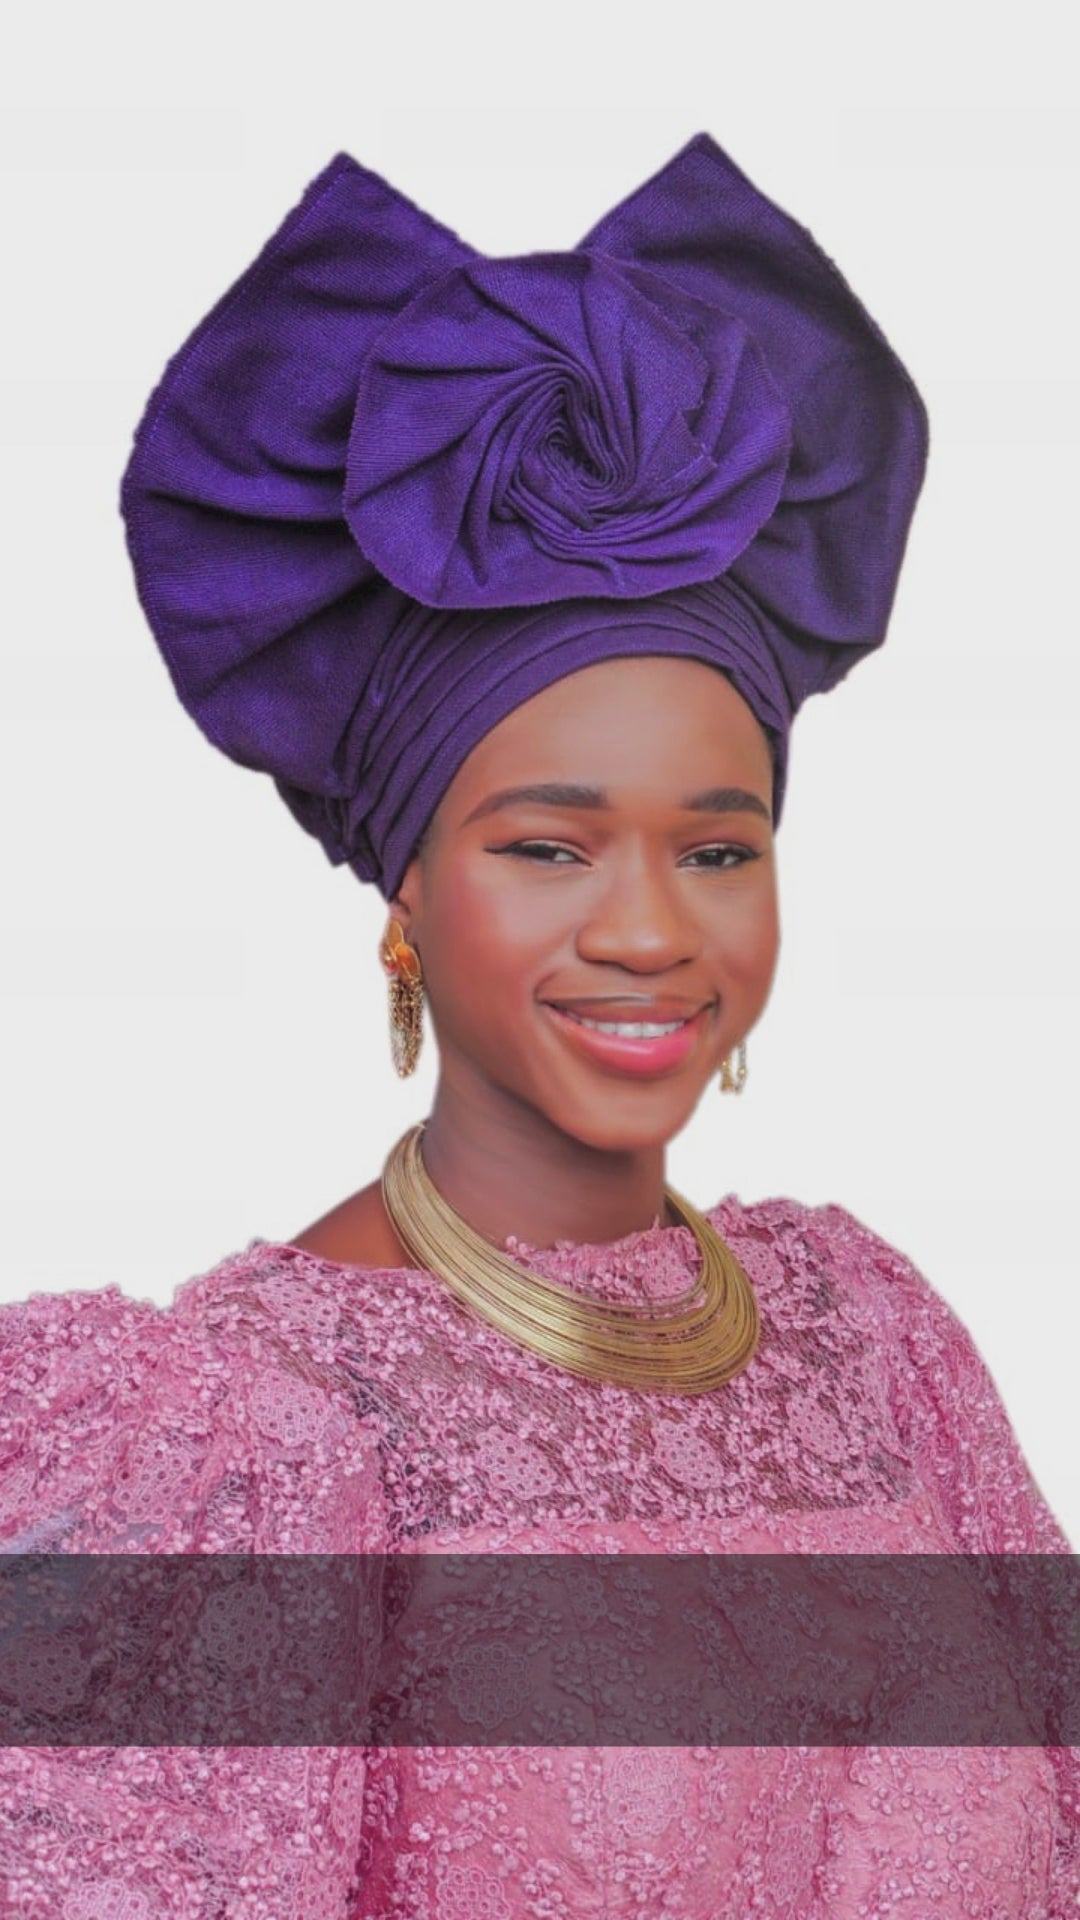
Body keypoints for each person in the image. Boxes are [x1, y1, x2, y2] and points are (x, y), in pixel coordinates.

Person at [1, 132, 1076, 1918]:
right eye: (549, 847)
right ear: (410, 893)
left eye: (718, 848)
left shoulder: (879, 1338)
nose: (650, 930)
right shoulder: (238, 1435)